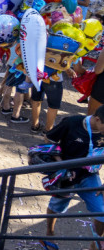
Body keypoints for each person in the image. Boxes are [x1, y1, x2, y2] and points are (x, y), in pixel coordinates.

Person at [42, 106, 104, 249]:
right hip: (66, 177)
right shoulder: (72, 122)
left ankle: (94, 247)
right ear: (97, 119)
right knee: (57, 206)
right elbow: (49, 139)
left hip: (89, 176)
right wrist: (63, 167)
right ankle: (49, 234)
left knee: (102, 212)